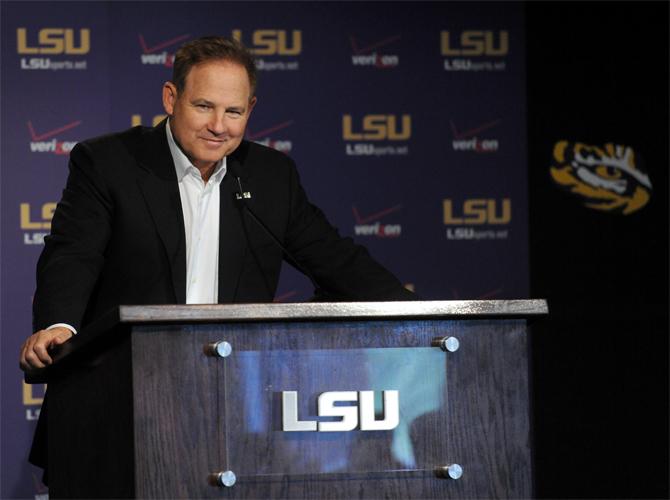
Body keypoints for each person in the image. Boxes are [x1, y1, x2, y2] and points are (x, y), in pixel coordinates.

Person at [19, 36, 413, 489]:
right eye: (204, 106)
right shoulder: (108, 163)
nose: (219, 126)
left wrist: (425, 314)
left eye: (234, 112)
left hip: (228, 414)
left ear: (251, 109)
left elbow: (335, 259)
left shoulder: (269, 176)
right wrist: (59, 324)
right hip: (119, 405)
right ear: (171, 98)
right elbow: (73, 254)